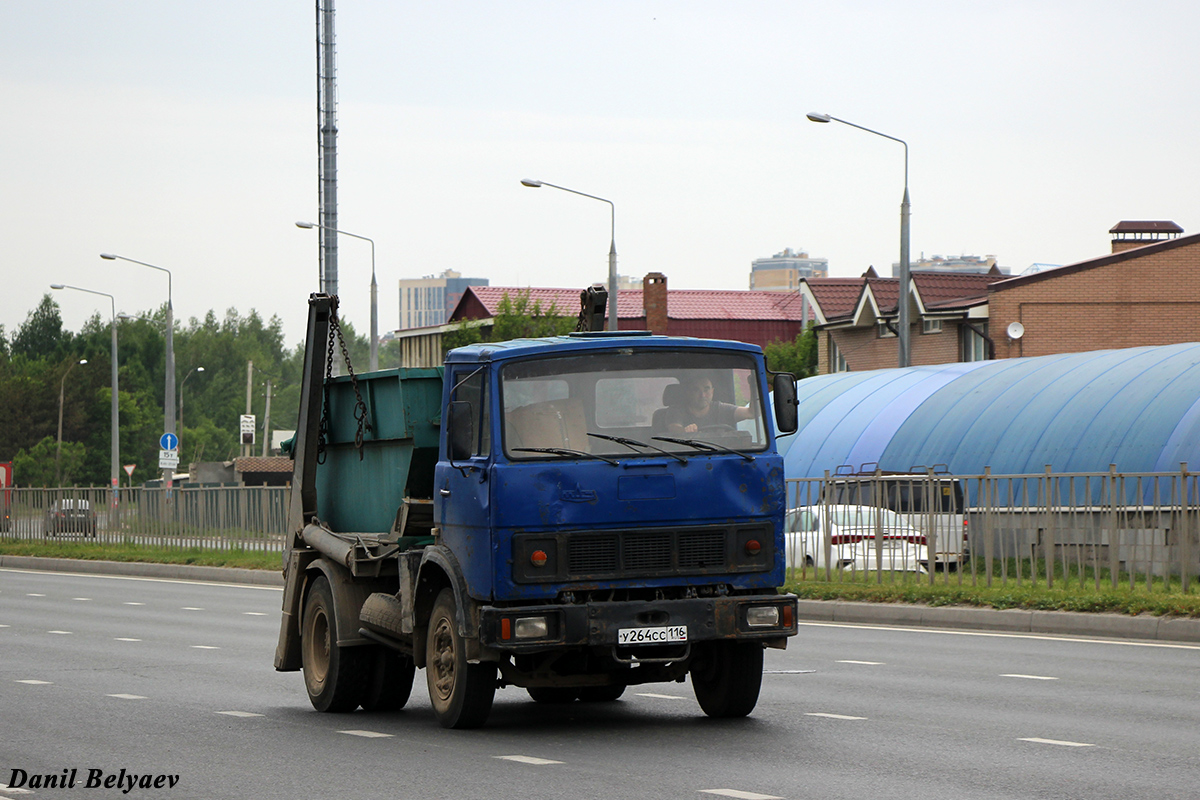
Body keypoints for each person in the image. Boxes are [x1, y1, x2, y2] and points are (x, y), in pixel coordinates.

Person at [665, 376, 754, 434]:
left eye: (706, 389)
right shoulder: (676, 410)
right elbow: (674, 429)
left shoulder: (721, 408)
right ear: (688, 393)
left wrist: (754, 387)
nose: (702, 395)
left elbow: (751, 413)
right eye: (696, 390)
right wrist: (684, 431)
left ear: (712, 391)